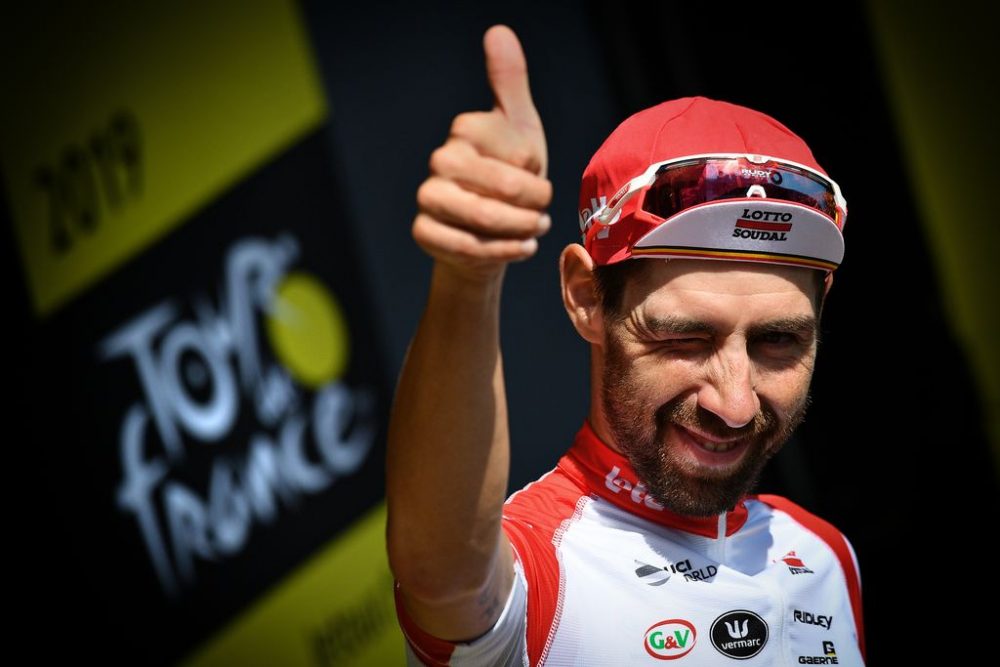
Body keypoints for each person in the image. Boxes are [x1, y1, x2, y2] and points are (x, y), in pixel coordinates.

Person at [386, 24, 865, 666]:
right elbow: (441, 570)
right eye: (685, 337)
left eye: (778, 341)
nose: (736, 404)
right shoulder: (537, 565)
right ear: (587, 296)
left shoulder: (825, 556)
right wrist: (469, 277)